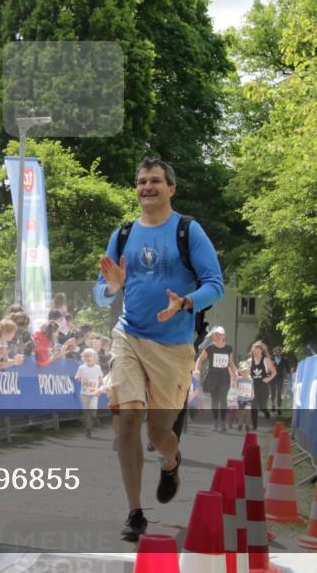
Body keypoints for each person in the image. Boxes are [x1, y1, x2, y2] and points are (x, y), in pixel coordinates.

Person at [92, 156, 224, 541]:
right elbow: (101, 293)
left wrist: (184, 302)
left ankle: (171, 459)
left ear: (171, 188)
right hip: (128, 335)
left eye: (155, 181)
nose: (147, 187)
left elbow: (215, 284)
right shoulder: (124, 233)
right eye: (141, 182)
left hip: (173, 346)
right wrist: (112, 287)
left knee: (157, 433)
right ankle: (135, 512)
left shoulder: (188, 231)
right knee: (128, 418)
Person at [195, 326, 238, 432]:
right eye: (216, 334)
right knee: (214, 401)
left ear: (224, 336)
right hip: (212, 377)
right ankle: (215, 422)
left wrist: (235, 372)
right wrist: (197, 370)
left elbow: (231, 363)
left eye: (220, 334)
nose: (218, 336)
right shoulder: (210, 348)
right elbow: (200, 360)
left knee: (223, 399)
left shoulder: (229, 348)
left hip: (224, 377)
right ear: (213, 336)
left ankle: (223, 422)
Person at [75, 349, 104, 438]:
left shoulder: (97, 368)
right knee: (86, 413)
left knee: (92, 410)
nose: (88, 358)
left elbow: (101, 378)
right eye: (86, 356)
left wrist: (101, 388)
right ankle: (88, 430)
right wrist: (77, 378)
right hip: (84, 393)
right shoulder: (81, 368)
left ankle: (95, 418)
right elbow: (77, 376)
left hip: (94, 393)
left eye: (90, 356)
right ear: (83, 358)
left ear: (94, 358)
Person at [248, 341, 277, 430]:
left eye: (258, 350)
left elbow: (274, 372)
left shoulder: (266, 360)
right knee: (254, 406)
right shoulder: (249, 361)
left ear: (262, 350)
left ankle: (266, 411)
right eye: (255, 350)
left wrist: (268, 379)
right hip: (253, 386)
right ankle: (254, 426)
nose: (256, 351)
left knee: (262, 406)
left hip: (263, 386)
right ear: (252, 350)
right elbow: (248, 373)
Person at [235, 364, 254, 431]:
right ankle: (240, 424)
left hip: (248, 399)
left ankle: (247, 425)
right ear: (241, 373)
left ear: (249, 372)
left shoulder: (250, 380)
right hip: (241, 399)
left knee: (248, 412)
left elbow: (252, 388)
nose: (245, 373)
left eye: (246, 372)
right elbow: (236, 387)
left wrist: (252, 395)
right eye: (243, 372)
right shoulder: (239, 379)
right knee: (241, 413)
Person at [270, 346, 287, 414]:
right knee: (273, 393)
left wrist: (287, 375)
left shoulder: (284, 359)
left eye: (279, 351)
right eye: (277, 351)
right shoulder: (271, 358)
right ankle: (273, 405)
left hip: (280, 377)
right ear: (274, 351)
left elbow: (287, 368)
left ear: (281, 352)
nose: (278, 352)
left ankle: (279, 407)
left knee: (279, 393)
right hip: (272, 377)